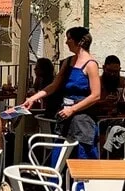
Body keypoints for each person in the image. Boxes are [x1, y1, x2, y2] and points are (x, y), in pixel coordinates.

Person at [21, 26, 102, 160]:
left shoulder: (91, 64)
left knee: (82, 159)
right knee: (58, 157)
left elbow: (96, 95)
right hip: (65, 116)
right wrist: (33, 98)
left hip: (82, 120)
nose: (66, 42)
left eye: (69, 39)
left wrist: (73, 109)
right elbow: (53, 86)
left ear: (79, 42)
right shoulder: (68, 61)